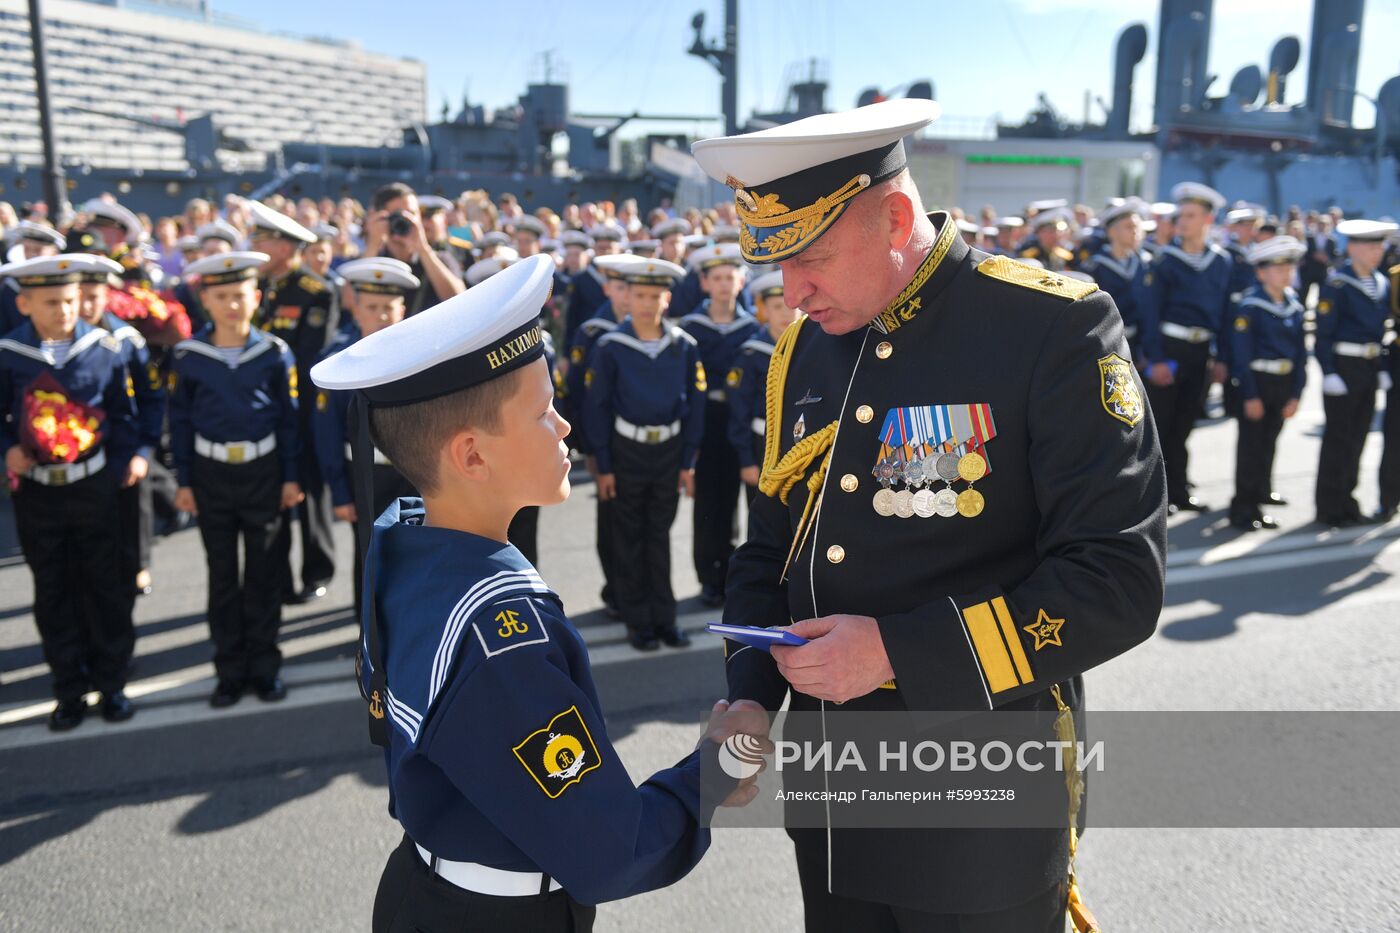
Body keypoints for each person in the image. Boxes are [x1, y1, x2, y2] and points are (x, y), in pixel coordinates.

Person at [692, 98, 1166, 931]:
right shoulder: (806, 344)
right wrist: (748, 694)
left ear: (895, 217)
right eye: (771, 262)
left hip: (981, 817)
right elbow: (771, 549)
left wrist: (898, 654)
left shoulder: (1048, 326)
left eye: (810, 257)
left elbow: (1117, 580)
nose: (792, 293)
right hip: (838, 812)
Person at [308, 253, 764, 933]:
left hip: (425, 885)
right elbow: (609, 848)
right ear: (471, 456)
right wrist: (719, 768)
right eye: (545, 411)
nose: (564, 427)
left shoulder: (401, 535)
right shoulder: (498, 631)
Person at [0, 254, 140, 730]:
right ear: (24, 303)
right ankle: (69, 688)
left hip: (92, 485)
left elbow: (123, 416)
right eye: (51, 302)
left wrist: (122, 465)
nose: (64, 311)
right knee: (54, 589)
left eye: (71, 300)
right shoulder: (9, 354)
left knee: (104, 584)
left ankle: (113, 683)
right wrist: (8, 452)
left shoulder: (104, 348)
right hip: (38, 493)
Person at [170, 251, 303, 708]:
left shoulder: (273, 353)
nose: (231, 305)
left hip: (263, 472)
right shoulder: (189, 356)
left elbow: (289, 420)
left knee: (264, 571)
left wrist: (290, 476)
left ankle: (265, 668)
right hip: (210, 475)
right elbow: (181, 422)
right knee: (222, 574)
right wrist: (184, 481)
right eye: (221, 296)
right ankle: (229, 671)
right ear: (205, 300)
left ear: (257, 298)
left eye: (239, 295)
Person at [584, 258, 705, 651]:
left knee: (659, 535)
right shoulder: (610, 347)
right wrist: (603, 464)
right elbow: (597, 407)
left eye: (655, 295)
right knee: (629, 537)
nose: (647, 303)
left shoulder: (683, 346)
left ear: (667, 299)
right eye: (639, 295)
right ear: (627, 298)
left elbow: (695, 407)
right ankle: (639, 623)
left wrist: (687, 461)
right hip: (626, 451)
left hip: (668, 451)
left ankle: (665, 619)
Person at [312, 258, 419, 619]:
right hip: (365, 476)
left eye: (389, 307)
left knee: (416, 557)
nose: (382, 316)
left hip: (412, 473)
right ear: (355, 309)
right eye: (372, 307)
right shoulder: (339, 361)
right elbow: (326, 434)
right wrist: (339, 492)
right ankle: (372, 646)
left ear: (402, 310)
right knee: (371, 561)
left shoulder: (421, 360)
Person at [247, 199, 340, 605]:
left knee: (312, 489)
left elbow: (311, 358)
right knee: (275, 493)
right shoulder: (257, 287)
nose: (255, 248)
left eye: (261, 241)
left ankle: (318, 568)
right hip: (266, 410)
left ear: (284, 247)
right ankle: (279, 575)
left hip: (301, 408)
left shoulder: (316, 292)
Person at [75, 254, 165, 600]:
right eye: (78, 295)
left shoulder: (128, 340)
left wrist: (143, 452)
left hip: (125, 448)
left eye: (93, 296)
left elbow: (152, 399)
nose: (84, 305)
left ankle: (138, 566)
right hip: (81, 455)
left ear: (106, 296)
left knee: (133, 513)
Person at [1138, 181, 1232, 514]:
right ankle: (1155, 497)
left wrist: (1221, 356)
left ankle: (1178, 490)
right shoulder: (1165, 261)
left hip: (1201, 351)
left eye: (1191, 215)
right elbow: (1151, 313)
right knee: (1161, 426)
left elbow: (1223, 313)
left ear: (1208, 219)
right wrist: (1158, 358)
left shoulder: (1221, 261)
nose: (1183, 222)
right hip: (1171, 348)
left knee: (1186, 423)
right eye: (1180, 215)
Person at [561, 253, 641, 619]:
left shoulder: (649, 327)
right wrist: (589, 448)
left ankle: (640, 591)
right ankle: (618, 592)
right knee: (611, 521)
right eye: (619, 287)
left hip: (638, 441)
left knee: (642, 523)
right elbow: (578, 395)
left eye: (632, 287)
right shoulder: (592, 331)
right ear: (607, 287)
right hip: (605, 440)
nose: (626, 295)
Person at [678, 243, 758, 607]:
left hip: (743, 420)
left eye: (731, 277)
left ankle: (734, 573)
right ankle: (709, 576)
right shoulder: (690, 328)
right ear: (705, 283)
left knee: (749, 501)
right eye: (717, 278)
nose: (725, 284)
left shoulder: (753, 328)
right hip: (706, 418)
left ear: (741, 282)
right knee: (711, 501)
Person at [1316, 219, 1397, 523]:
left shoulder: (1381, 282)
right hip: (1344, 367)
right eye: (1371, 246)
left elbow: (1381, 331)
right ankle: (1329, 505)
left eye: (1380, 246)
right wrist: (1328, 371)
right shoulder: (1338, 284)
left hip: (1369, 367)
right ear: (1352, 248)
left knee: (1358, 438)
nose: (1377, 252)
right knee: (1338, 438)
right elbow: (1324, 334)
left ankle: (1347, 501)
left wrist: (1382, 367)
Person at [1227, 236, 1308, 532]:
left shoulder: (1293, 306)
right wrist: (1249, 394)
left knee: (1269, 444)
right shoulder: (1251, 306)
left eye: (1288, 268)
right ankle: (1243, 509)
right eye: (1277, 269)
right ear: (1261, 273)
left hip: (1282, 383)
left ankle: (1261, 493)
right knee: (1251, 447)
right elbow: (1240, 356)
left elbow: (1301, 355)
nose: (1285, 274)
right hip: (1258, 383)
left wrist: (1297, 393)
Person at [726, 268, 797, 497]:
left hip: (801, 443)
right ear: (764, 310)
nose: (785, 313)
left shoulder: (811, 347)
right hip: (762, 444)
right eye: (777, 307)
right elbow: (739, 410)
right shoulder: (751, 354)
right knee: (763, 515)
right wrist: (747, 460)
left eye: (790, 305)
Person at [362, 182, 465, 315]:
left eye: (412, 213)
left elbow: (459, 299)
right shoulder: (373, 259)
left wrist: (423, 249)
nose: (405, 219)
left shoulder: (440, 259)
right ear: (382, 217)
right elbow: (349, 301)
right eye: (397, 214)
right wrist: (373, 244)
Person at [1082, 199, 1151, 363]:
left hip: (1135, 343)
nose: (1136, 232)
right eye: (1129, 227)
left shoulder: (1144, 264)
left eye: (1137, 227)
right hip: (1103, 345)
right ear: (1112, 232)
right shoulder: (1094, 267)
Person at [1, 222, 66, 334]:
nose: (31, 255)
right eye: (27, 249)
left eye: (37, 250)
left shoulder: (65, 283)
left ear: (54, 252)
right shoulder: (11, 286)